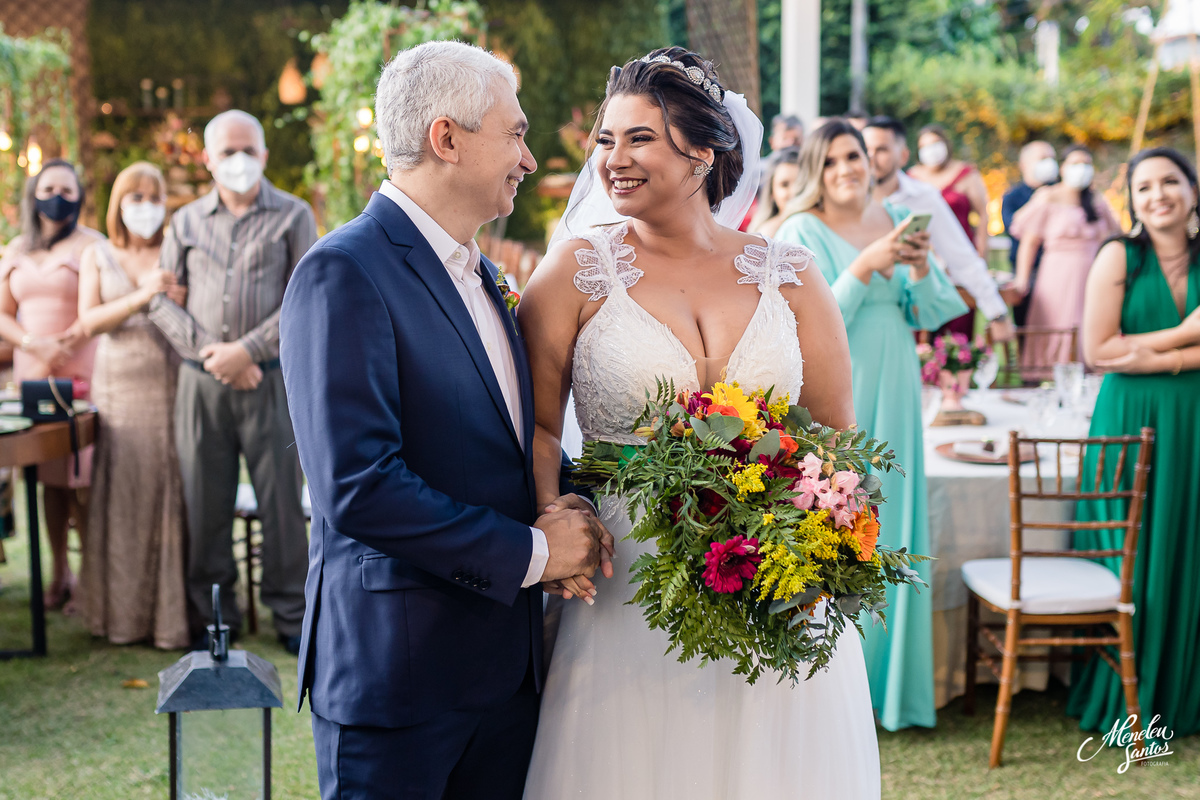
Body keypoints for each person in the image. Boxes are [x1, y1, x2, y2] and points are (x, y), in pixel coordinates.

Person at [521, 48, 882, 798]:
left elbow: (837, 436)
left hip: (778, 574)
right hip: (630, 572)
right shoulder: (574, 272)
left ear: (703, 152)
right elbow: (540, 430)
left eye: (638, 139)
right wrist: (553, 516)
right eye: (604, 140)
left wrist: (825, 537)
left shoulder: (791, 273)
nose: (612, 160)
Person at [280, 41, 611, 800]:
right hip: (400, 683)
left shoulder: (483, 273)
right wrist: (533, 553)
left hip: (504, 674)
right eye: (516, 133)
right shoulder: (344, 271)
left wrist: (581, 504)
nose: (528, 159)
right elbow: (357, 486)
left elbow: (495, 448)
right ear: (447, 137)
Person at [775, 119, 968, 731]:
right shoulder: (801, 229)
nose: (845, 169)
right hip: (841, 390)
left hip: (898, 383)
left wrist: (914, 266)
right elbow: (801, 320)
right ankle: (839, 684)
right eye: (829, 161)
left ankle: (897, 691)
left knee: (899, 527)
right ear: (815, 171)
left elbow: (936, 310)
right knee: (844, 521)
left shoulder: (893, 216)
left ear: (871, 160)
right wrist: (863, 266)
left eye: (852, 156)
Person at [146, 110, 316, 653]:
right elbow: (160, 301)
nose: (238, 160)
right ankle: (214, 617)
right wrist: (214, 356)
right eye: (227, 152)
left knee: (282, 505)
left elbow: (304, 297)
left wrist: (247, 350)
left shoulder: (294, 216)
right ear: (207, 160)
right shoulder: (185, 222)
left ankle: (292, 616)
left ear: (264, 154)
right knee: (205, 500)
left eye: (248, 149)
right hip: (201, 385)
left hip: (268, 381)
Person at [1072, 146, 1200, 739]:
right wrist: (1185, 337)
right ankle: (1125, 697)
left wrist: (1148, 351)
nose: (1158, 195)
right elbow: (1099, 351)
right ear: (1133, 201)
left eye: (1170, 181)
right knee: (1136, 545)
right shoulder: (1119, 255)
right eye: (1144, 187)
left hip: (1193, 421)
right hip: (1131, 421)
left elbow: (1126, 349)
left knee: (1190, 543)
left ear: (1192, 190)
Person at [77, 162, 190, 649]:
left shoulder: (174, 249)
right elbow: (89, 321)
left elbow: (191, 319)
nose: (145, 207)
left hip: (167, 382)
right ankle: (117, 615)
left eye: (154, 197)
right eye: (135, 197)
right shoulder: (98, 254)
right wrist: (143, 296)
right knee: (121, 492)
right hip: (118, 388)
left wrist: (178, 300)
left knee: (168, 489)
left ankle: (169, 618)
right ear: (119, 204)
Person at [0, 159, 103, 614]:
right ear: (34, 195)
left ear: (79, 196)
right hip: (31, 373)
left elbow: (99, 307)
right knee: (48, 479)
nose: (57, 195)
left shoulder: (92, 246)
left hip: (79, 371)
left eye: (66, 187)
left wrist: (65, 343)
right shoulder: (16, 249)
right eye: (48, 187)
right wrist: (30, 342)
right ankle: (57, 571)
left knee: (80, 477)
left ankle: (89, 578)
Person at [863, 115, 1014, 343]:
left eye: (881, 150)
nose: (871, 158)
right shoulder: (846, 199)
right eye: (865, 150)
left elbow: (961, 256)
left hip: (911, 315)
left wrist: (997, 313)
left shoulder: (923, 197)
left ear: (903, 155)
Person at [1009, 145, 1118, 369]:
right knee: (1058, 322)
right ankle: (1047, 373)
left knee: (1089, 322)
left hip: (1092, 274)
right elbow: (1029, 243)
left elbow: (1116, 235)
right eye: (1076, 164)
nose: (1082, 169)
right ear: (1063, 167)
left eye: (1087, 164)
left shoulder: (1096, 200)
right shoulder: (1048, 196)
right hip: (1057, 274)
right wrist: (1022, 279)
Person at [1002, 140, 1058, 325]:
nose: (1049, 163)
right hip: (1027, 272)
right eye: (1043, 158)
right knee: (1026, 324)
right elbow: (1014, 228)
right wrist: (1038, 201)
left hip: (1059, 269)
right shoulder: (1012, 197)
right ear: (1024, 165)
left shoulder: (1062, 192)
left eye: (1051, 158)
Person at [748, 146, 800, 236]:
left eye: (800, 182)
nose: (794, 191)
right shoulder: (767, 234)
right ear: (772, 193)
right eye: (784, 185)